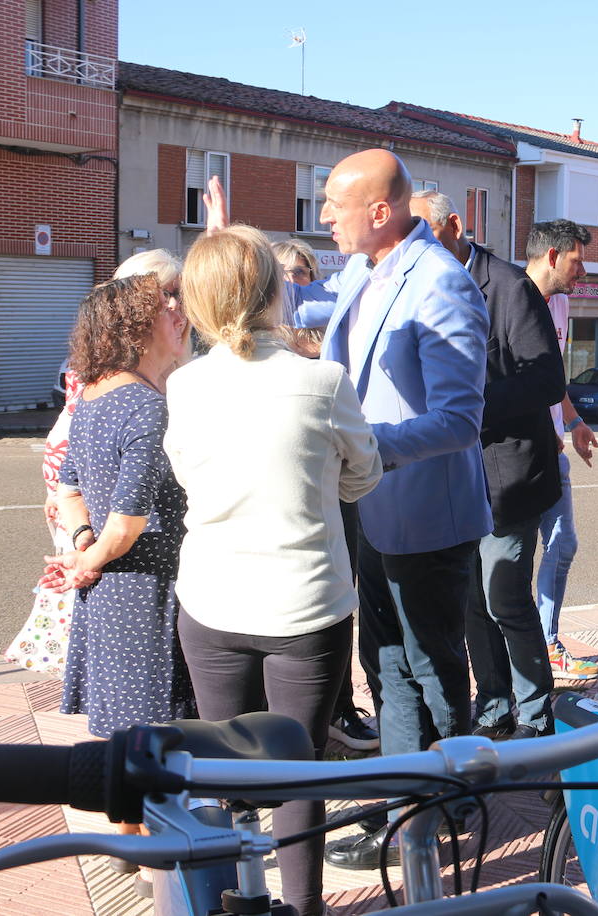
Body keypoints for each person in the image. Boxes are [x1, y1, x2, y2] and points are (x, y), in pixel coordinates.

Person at [164, 225, 382, 916]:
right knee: (298, 770)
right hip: (306, 603)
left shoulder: (185, 385)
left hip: (212, 600)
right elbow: (364, 475)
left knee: (228, 769)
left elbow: (184, 475)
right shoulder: (321, 380)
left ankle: (238, 898)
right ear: (275, 289)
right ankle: (306, 906)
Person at [308, 150, 491, 870]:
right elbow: (304, 302)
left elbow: (460, 419)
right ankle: (401, 802)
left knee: (432, 666)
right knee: (383, 663)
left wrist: (362, 445)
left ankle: (448, 804)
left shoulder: (439, 283)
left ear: (379, 212)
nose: (323, 216)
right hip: (372, 508)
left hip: (424, 515)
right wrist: (230, 250)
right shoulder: (368, 270)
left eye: (332, 203)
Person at [41, 273, 196, 889]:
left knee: (127, 720)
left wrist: (83, 551)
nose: (179, 315)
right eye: (167, 308)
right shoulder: (147, 405)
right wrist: (95, 555)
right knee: (158, 716)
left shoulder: (94, 397)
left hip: (107, 589)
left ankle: (131, 841)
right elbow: (129, 521)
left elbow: (68, 485)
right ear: (137, 328)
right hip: (143, 584)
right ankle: (156, 852)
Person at [410, 190, 565, 741]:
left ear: (454, 226)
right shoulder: (421, 283)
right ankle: (495, 703)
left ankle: (535, 713)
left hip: (508, 476)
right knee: (473, 600)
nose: (415, 246)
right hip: (455, 476)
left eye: (424, 233)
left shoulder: (510, 286)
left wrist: (469, 406)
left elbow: (548, 380)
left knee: (505, 598)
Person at [270, 236, 380, 752]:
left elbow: (362, 460)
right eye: (287, 274)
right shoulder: (264, 361)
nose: (298, 282)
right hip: (282, 503)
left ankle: (337, 709)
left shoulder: (337, 360)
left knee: (338, 601)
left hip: (339, 496)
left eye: (305, 273)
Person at [524, 219, 598, 680]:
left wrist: (571, 419)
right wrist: (540, 424)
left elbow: (552, 378)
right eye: (578, 260)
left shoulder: (562, 304)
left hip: (553, 450)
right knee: (506, 559)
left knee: (562, 543)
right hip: (516, 453)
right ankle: (517, 652)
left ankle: (548, 643)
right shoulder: (509, 297)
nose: (584, 271)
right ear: (553, 256)